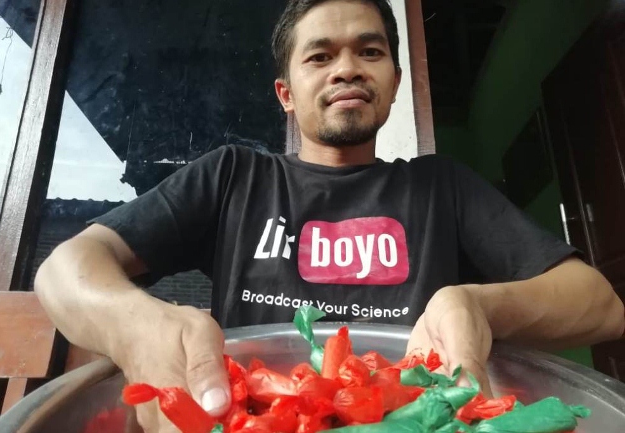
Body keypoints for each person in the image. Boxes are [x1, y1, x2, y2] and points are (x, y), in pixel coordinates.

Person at [34, 0, 625, 432]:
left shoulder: (441, 186)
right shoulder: (232, 176)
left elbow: (602, 305)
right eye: (320, 56)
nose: (347, 69)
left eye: (370, 52)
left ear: (394, 83)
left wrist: (476, 304)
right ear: (286, 94)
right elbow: (66, 269)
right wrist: (137, 326)